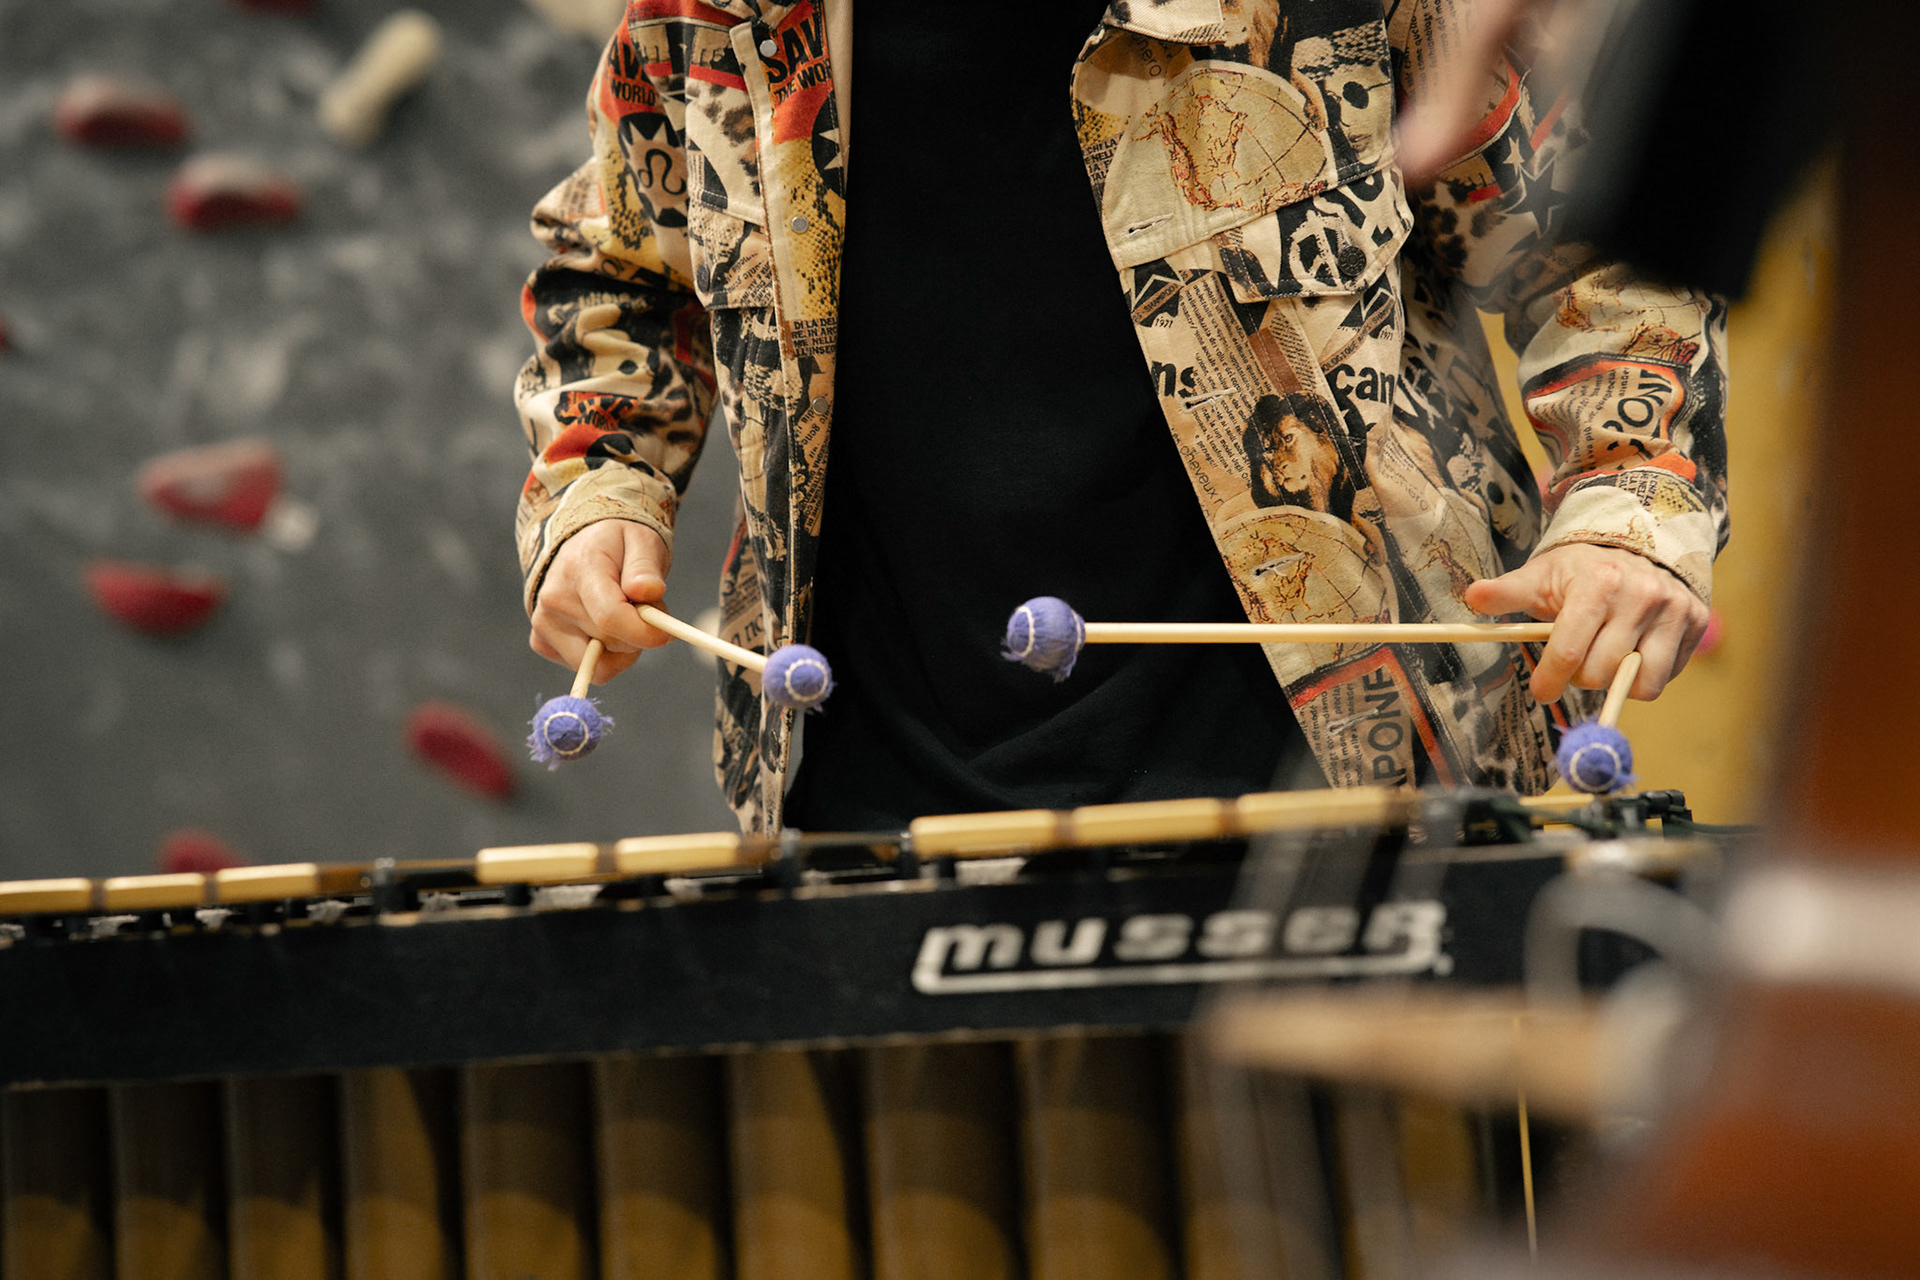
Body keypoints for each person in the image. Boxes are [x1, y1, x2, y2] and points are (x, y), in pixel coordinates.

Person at [514, 0, 1724, 833]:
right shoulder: (723, 10)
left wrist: (1628, 504)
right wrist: (597, 492)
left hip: (1345, 781)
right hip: (865, 795)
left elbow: (1601, 248)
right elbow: (620, 269)